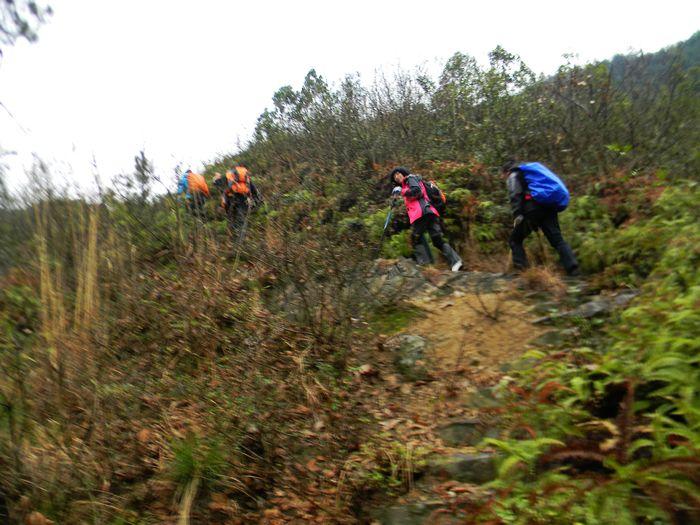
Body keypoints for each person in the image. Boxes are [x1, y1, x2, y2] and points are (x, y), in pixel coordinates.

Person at [503, 160, 579, 275]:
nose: (502, 177)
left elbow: (515, 194)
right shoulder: (529, 174)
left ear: (507, 171)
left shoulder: (513, 175)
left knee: (515, 240)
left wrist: (517, 214)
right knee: (557, 240)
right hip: (548, 208)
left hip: (532, 210)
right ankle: (573, 269)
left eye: (502, 175)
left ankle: (522, 271)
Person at [389, 166, 463, 271]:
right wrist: (397, 197)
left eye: (398, 173)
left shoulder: (410, 178)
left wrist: (402, 192)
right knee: (437, 240)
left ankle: (425, 266)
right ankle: (456, 262)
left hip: (422, 213)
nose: (396, 176)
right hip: (430, 212)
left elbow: (417, 192)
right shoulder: (405, 185)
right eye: (394, 176)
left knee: (415, 238)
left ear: (403, 173)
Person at [213, 164, 260, 242]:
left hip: (230, 201)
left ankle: (233, 238)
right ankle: (240, 242)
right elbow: (254, 191)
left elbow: (217, 183)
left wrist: (216, 179)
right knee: (241, 221)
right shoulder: (246, 178)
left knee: (231, 219)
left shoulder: (228, 175)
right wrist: (256, 200)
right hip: (243, 199)